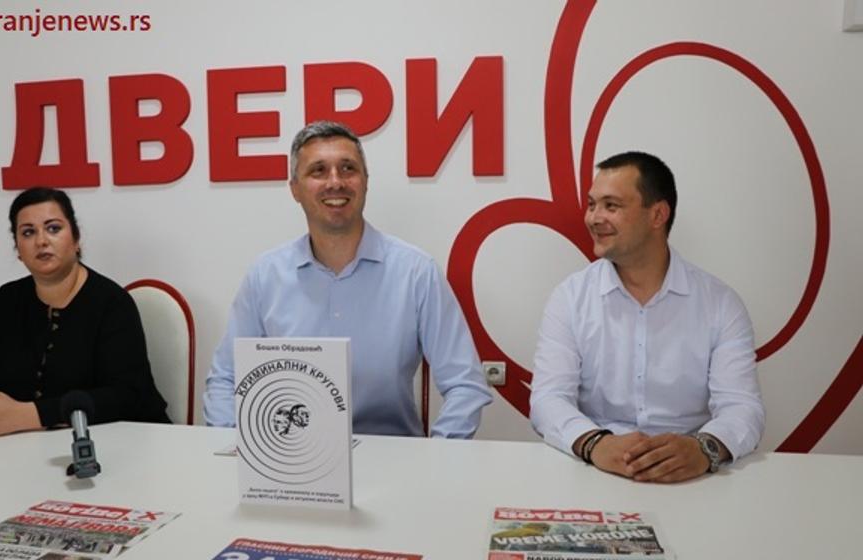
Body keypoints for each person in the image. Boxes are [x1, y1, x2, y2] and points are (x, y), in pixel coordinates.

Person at [204, 121, 492, 437]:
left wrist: (436, 455)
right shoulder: (265, 276)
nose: (335, 182)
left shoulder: (415, 272)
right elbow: (226, 379)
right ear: (295, 189)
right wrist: (237, 447)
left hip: (393, 460)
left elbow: (465, 385)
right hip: (291, 466)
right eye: (318, 171)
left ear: (365, 182)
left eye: (347, 168)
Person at [530, 151, 764, 482]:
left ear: (657, 215)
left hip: (691, 479)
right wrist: (595, 443)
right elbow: (547, 398)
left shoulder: (720, 304)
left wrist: (703, 449)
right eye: (592, 204)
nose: (594, 218)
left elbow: (743, 407)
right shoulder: (570, 297)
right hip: (593, 473)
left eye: (611, 206)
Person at [0, 188, 170, 436]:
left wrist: (29, 415)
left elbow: (127, 396)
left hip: (125, 445)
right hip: (24, 450)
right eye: (28, 232)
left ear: (76, 239)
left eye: (53, 228)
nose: (41, 241)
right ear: (18, 250)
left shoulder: (112, 302)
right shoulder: (3, 302)